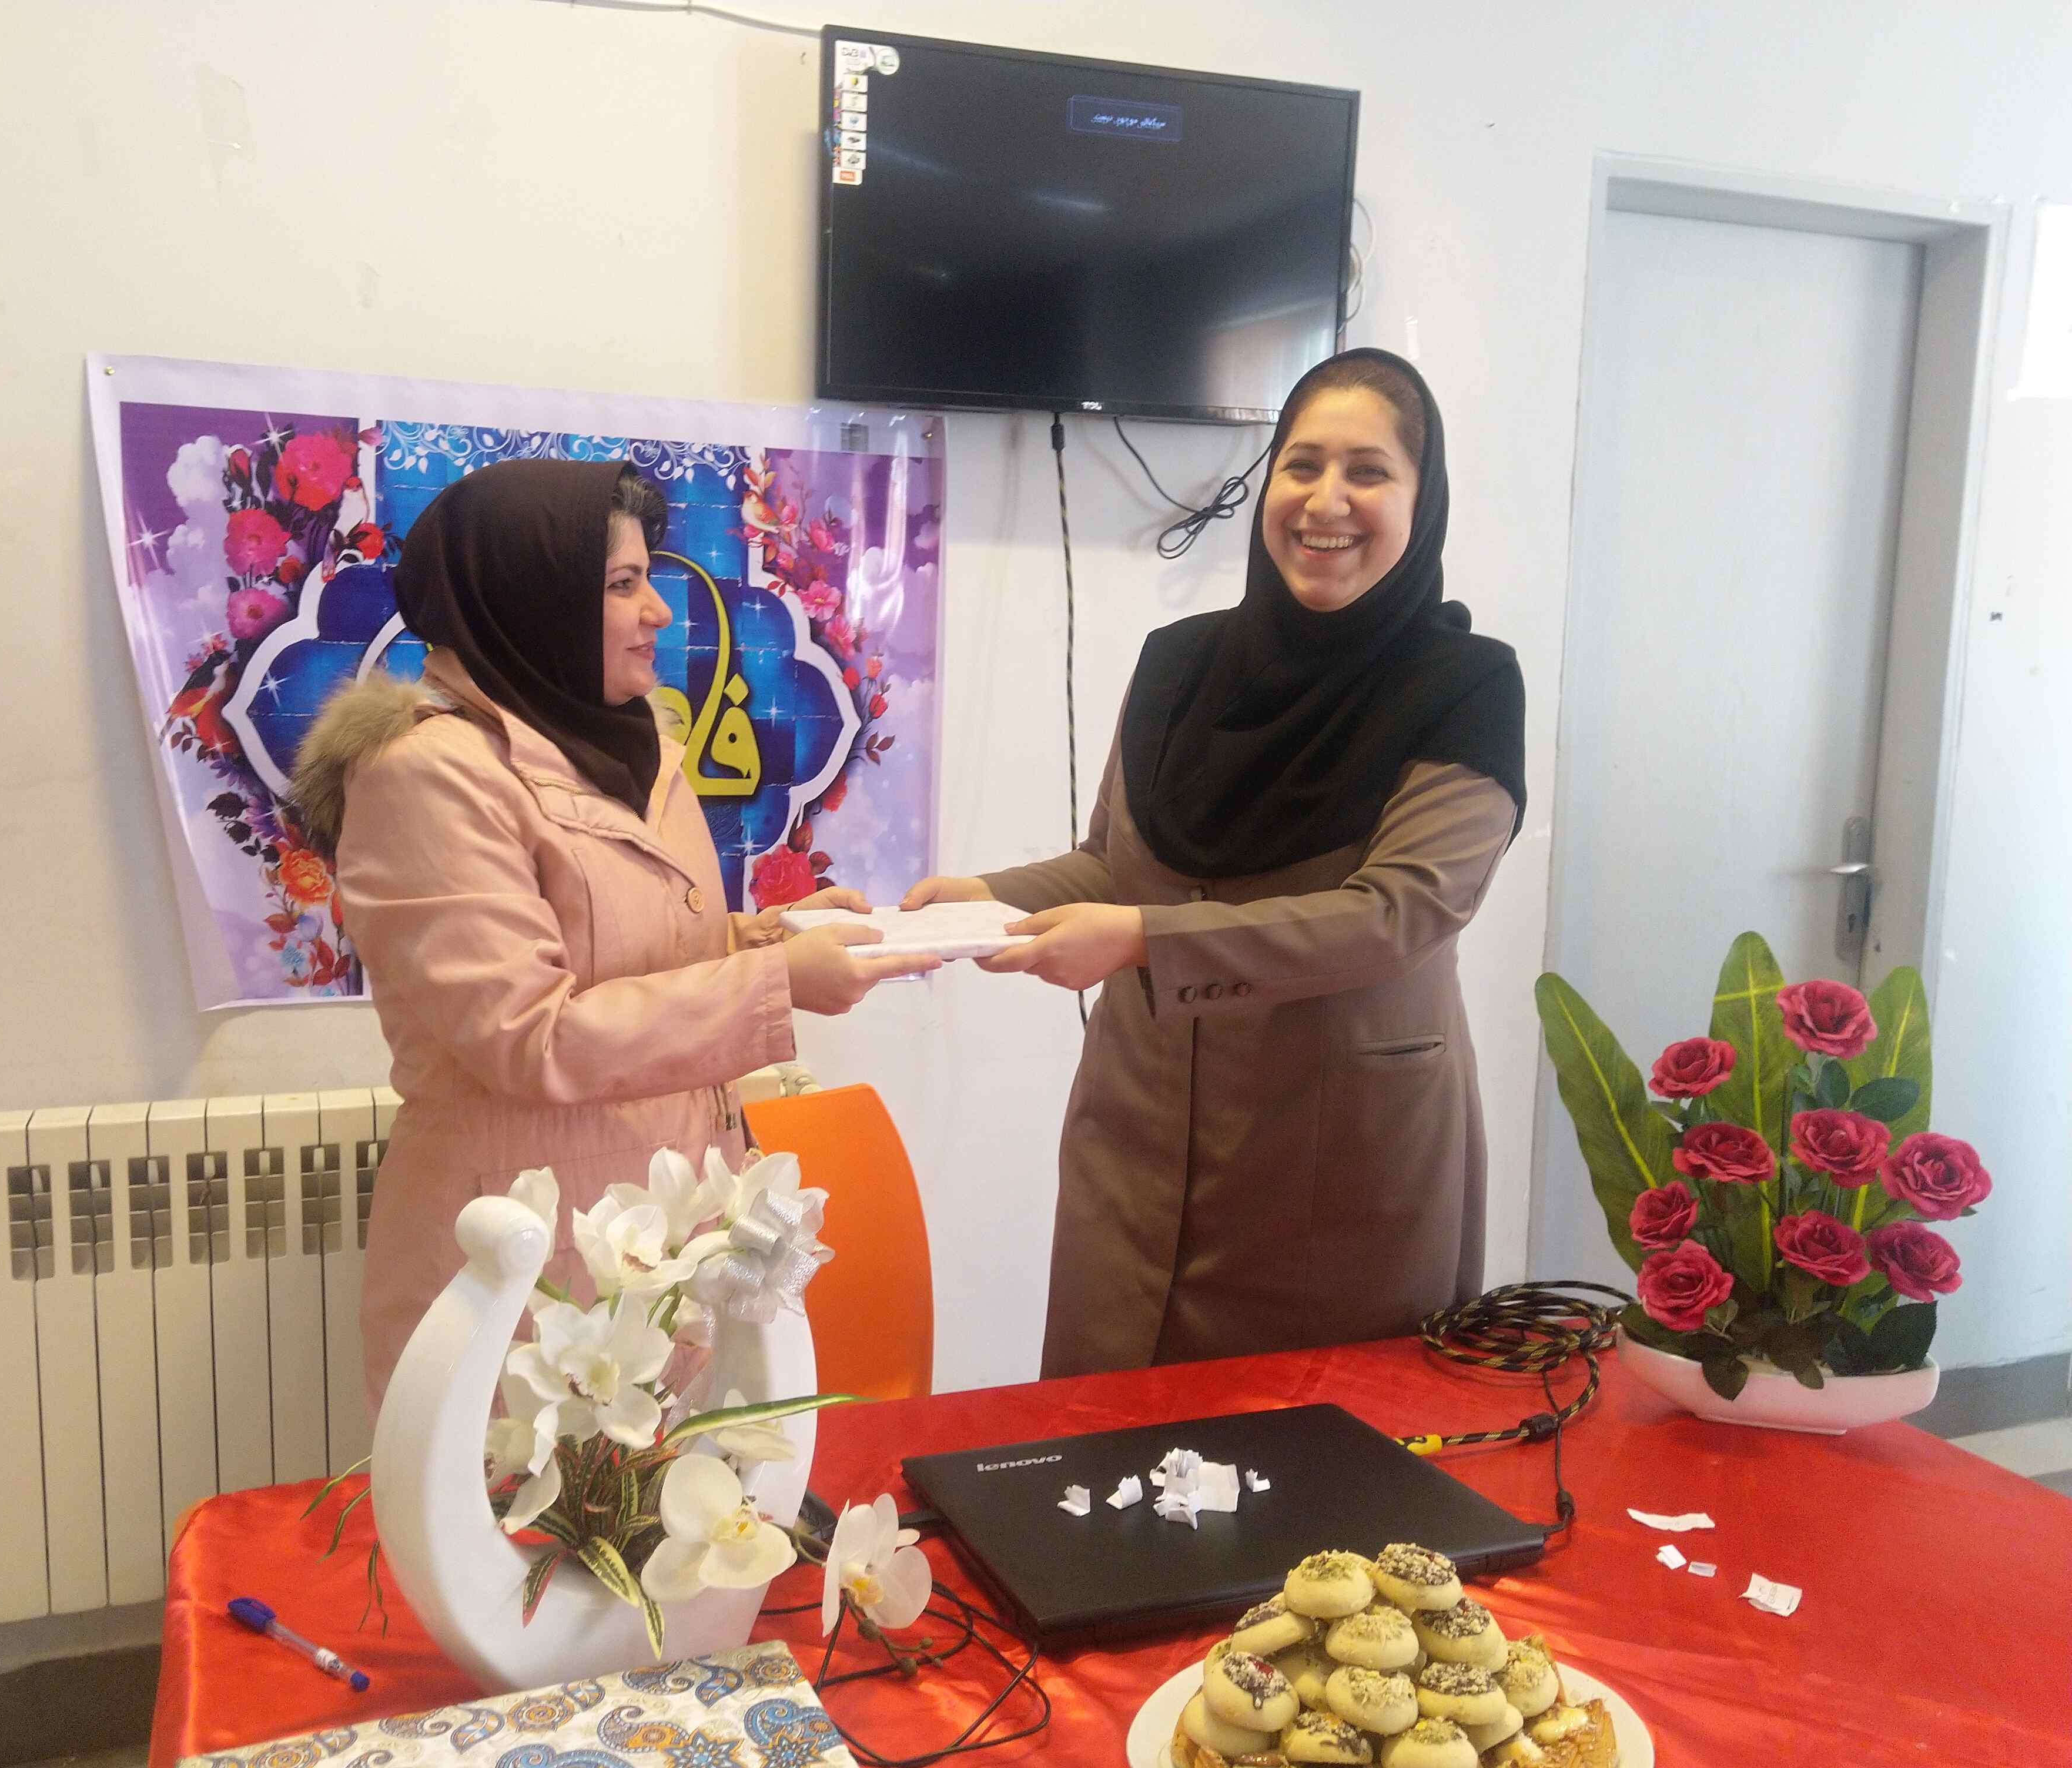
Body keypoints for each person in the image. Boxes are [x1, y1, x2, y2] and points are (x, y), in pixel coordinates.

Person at [903, 349, 1525, 1378]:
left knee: (1311, 1449)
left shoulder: (1466, 685)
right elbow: (1118, 869)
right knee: (1103, 1430)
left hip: (1335, 1162)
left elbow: (1401, 913)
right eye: (1302, 464)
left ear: (1423, 501)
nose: (1326, 499)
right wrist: (973, 903)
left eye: (1369, 471)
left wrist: (1145, 942)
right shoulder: (1181, 662)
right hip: (1137, 1138)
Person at [293, 459, 926, 1416]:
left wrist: (769, 937)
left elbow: (634, 947)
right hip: (531, 1260)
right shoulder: (426, 774)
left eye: (649, 580)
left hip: (670, 1225)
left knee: (698, 1498)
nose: (658, 612)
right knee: (536, 1509)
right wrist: (776, 984)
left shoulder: (630, 744)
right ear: (528, 602)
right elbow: (527, 1032)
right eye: (623, 585)